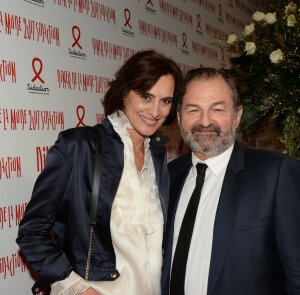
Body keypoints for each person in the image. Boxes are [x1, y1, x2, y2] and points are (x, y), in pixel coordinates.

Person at [16, 49, 183, 295]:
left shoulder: (157, 155)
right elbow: (31, 233)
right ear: (124, 93)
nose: (155, 111)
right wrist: (76, 288)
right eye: (146, 96)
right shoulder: (79, 147)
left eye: (165, 101)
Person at [161, 67, 300, 295]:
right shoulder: (168, 175)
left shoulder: (276, 174)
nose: (205, 122)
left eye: (217, 109)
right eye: (194, 110)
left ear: (237, 116)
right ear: (178, 117)